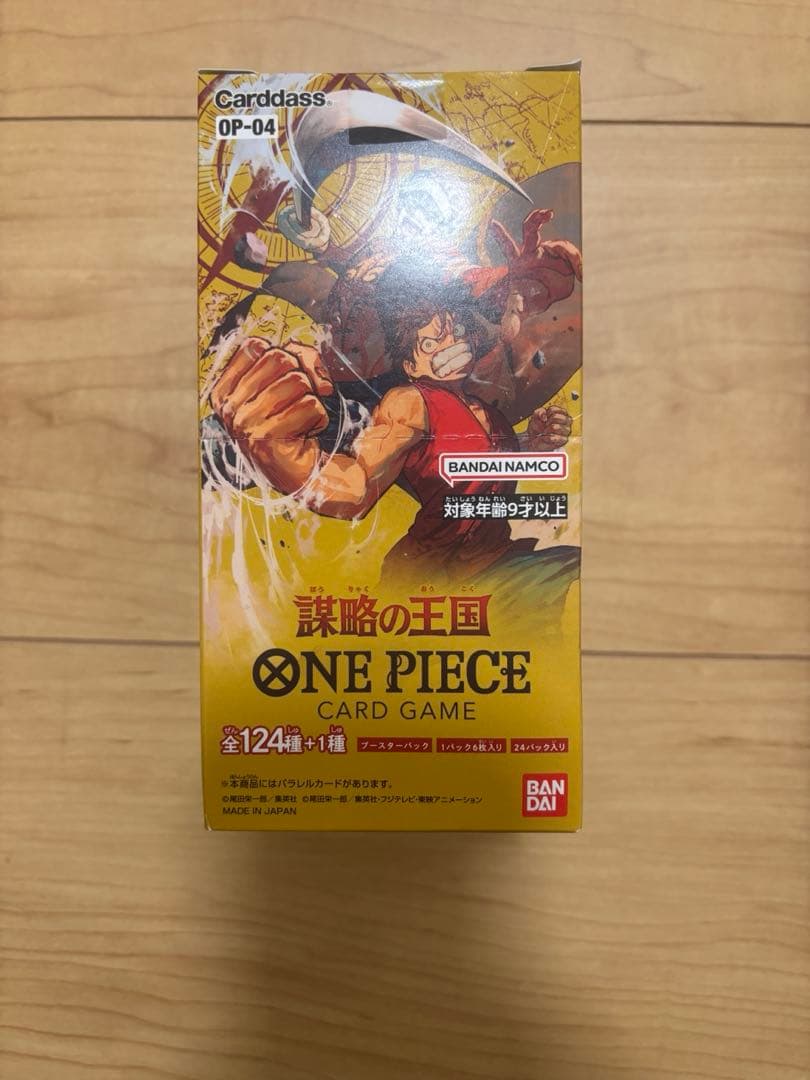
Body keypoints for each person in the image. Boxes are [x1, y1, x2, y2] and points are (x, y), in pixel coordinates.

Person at [210, 267, 579, 614]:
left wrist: (531, 441)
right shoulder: (410, 403)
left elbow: (477, 464)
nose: (449, 345)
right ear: (410, 365)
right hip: (429, 582)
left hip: (498, 565)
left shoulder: (487, 413)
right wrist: (280, 452)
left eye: (454, 331)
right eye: (430, 343)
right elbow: (356, 487)